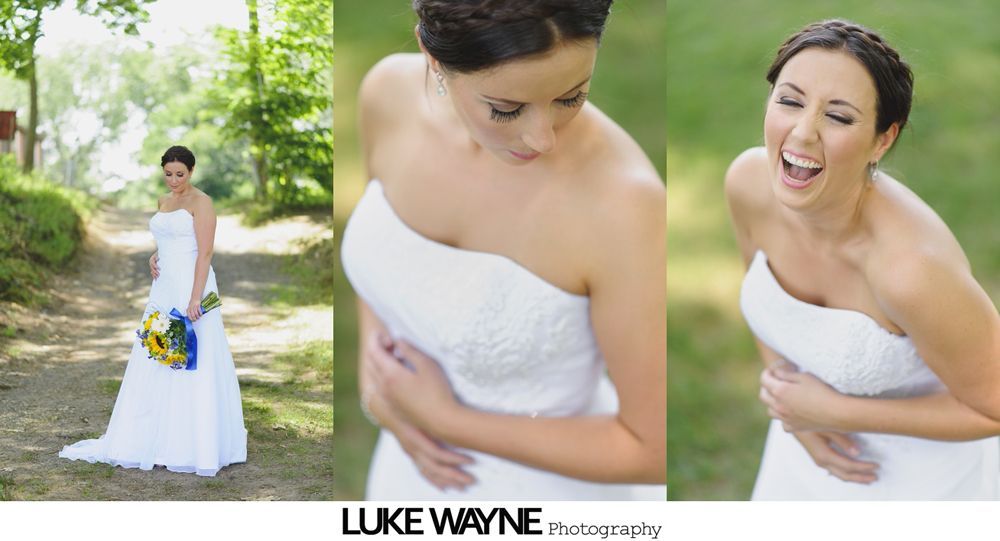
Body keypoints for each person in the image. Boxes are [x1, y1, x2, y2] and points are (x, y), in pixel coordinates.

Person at [340, 0, 666, 500]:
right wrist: (376, 383)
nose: (542, 138)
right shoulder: (387, 94)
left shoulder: (625, 205)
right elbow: (385, 269)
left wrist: (444, 420)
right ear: (432, 56)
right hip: (404, 480)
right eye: (506, 109)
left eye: (572, 96)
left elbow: (652, 450)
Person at [725, 19, 1000, 499]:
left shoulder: (911, 270)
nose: (803, 133)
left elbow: (994, 408)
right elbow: (769, 309)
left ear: (882, 140)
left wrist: (832, 413)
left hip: (918, 489)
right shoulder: (748, 183)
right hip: (800, 453)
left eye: (838, 116)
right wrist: (791, 408)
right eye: (790, 101)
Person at [59, 146, 247, 477]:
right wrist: (155, 255)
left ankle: (193, 444)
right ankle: (153, 439)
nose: (174, 180)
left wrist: (195, 298)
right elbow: (169, 239)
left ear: (191, 171)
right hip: (164, 286)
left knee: (195, 357)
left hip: (193, 283)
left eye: (180, 174)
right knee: (156, 352)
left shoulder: (202, 203)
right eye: (168, 174)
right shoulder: (164, 201)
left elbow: (204, 253)